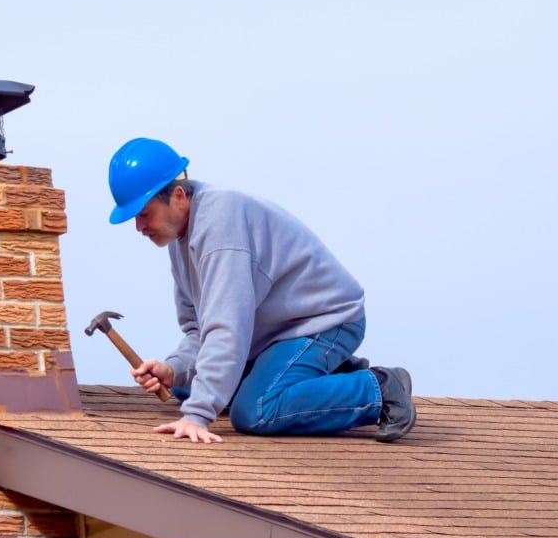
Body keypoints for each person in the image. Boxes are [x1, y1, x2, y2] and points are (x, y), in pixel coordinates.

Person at [108, 137, 416, 445]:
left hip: (324, 321)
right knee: (186, 385)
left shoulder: (220, 227)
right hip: (274, 332)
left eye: (144, 214)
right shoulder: (180, 238)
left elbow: (226, 330)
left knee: (255, 410)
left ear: (177, 196)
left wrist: (197, 415)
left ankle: (379, 387)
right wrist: (173, 368)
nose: (138, 227)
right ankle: (322, 377)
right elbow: (198, 330)